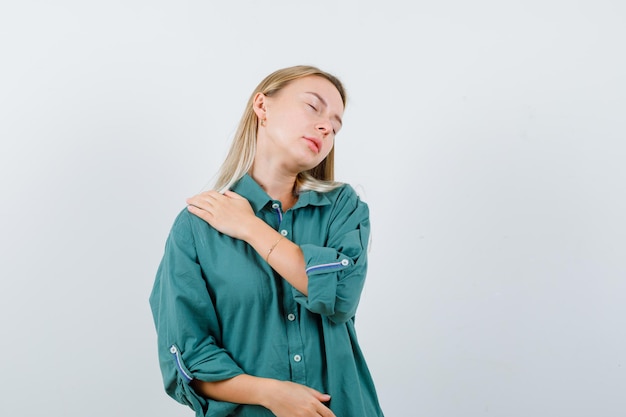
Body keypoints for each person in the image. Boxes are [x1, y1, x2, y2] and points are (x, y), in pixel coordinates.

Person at [149, 65, 385, 417]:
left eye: (335, 126)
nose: (326, 127)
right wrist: (271, 394)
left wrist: (250, 227)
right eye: (313, 107)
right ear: (262, 106)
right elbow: (187, 360)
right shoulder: (196, 227)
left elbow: (339, 295)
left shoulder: (343, 208)